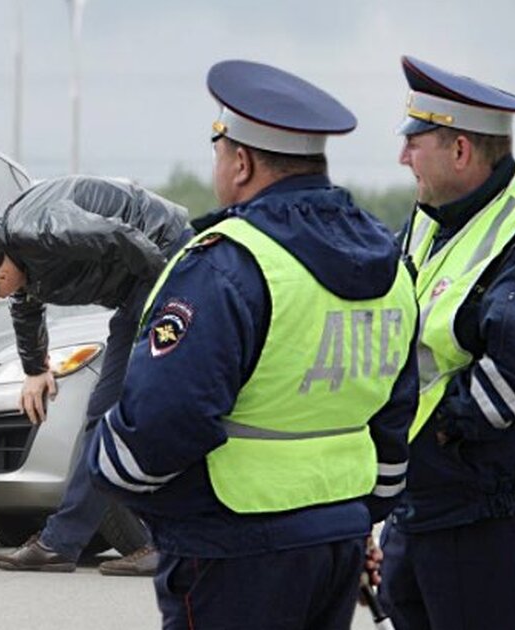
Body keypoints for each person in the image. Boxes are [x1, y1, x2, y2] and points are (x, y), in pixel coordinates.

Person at [89, 59, 419, 629]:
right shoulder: (389, 259)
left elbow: (168, 415)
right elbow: (397, 406)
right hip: (337, 532)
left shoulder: (227, 263)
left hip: (232, 542)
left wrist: (105, 466)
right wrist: (367, 511)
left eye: (218, 150)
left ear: (240, 162)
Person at [375, 56, 515, 629]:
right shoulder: (431, 212)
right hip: (423, 490)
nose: (402, 158)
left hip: (484, 493)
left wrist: (438, 433)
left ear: (460, 150)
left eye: (414, 143)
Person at [0, 175, 192, 576]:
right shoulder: (11, 254)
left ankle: (164, 543)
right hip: (136, 292)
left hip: (164, 266)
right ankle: (62, 544)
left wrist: (171, 300)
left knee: (145, 407)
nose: (2, 298)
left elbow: (123, 236)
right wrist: (35, 370)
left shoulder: (42, 229)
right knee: (103, 414)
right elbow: (25, 306)